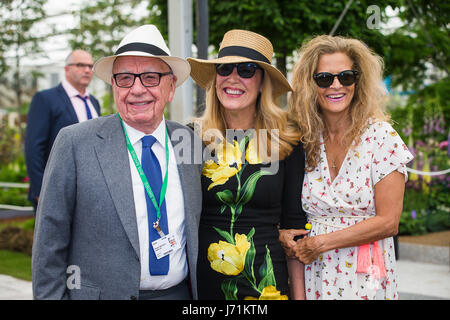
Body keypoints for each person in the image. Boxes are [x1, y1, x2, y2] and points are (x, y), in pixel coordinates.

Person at [32, 25, 202, 300]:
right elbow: (49, 245)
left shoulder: (190, 142)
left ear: (171, 87)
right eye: (125, 78)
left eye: (150, 77)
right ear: (113, 85)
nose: (136, 89)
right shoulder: (75, 143)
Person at [282, 35, 414, 300]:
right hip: (315, 275)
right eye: (324, 78)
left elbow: (389, 222)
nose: (336, 85)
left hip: (366, 276)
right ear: (310, 85)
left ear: (359, 81)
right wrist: (283, 235)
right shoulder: (304, 141)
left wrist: (320, 242)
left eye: (346, 76)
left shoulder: (381, 138)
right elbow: (289, 213)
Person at [187, 29, 309, 300]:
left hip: (266, 287)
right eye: (225, 69)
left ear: (263, 82)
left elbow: (295, 229)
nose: (232, 78)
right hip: (203, 288)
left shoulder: (287, 140)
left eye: (246, 70)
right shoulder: (191, 138)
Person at [25, 49, 101, 210]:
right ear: (67, 69)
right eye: (81, 65)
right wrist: (40, 192)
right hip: (55, 191)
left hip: (89, 192)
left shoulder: (94, 102)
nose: (87, 70)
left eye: (90, 66)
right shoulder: (45, 99)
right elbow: (33, 148)